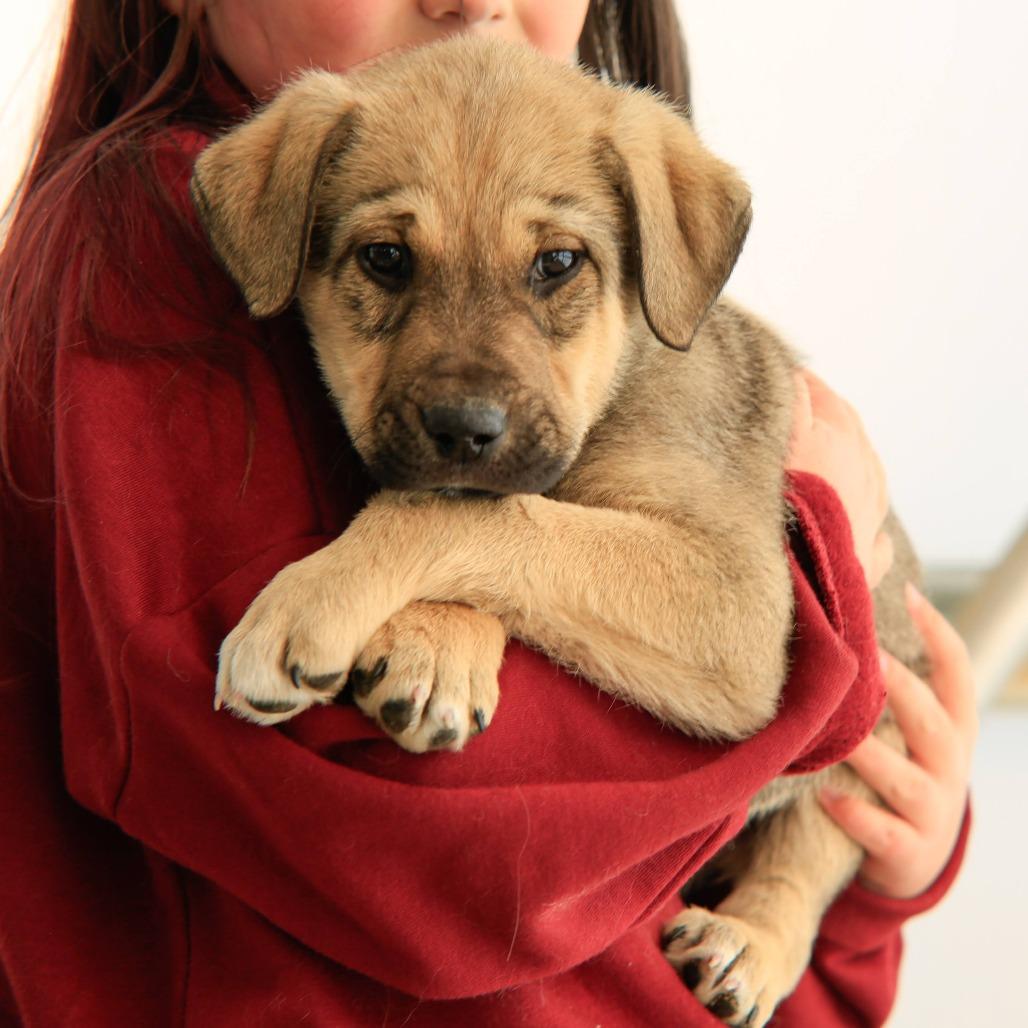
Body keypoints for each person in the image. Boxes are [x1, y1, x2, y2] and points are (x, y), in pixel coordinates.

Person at [0, 1, 976, 1024]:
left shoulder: (641, 286)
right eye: (387, 259)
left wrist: (845, 891)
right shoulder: (157, 260)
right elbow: (423, 853)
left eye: (553, 266)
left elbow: (740, 676)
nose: (466, 0)